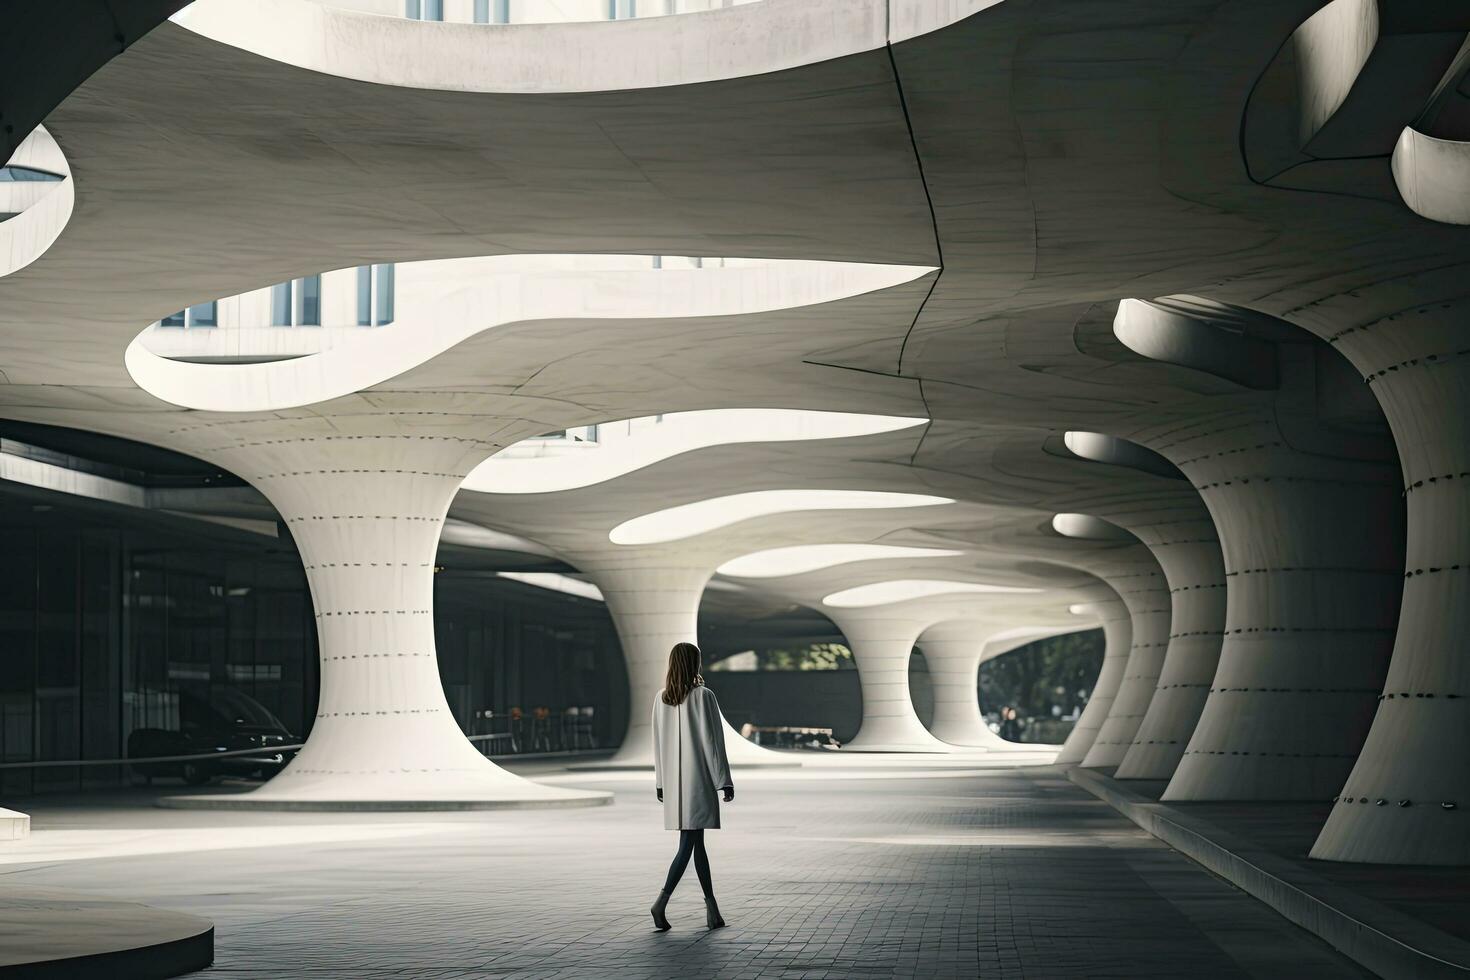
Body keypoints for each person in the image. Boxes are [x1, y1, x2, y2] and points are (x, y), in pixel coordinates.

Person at [649, 641, 733, 931]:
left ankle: (713, 911)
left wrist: (661, 783)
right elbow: (713, 742)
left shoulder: (662, 699)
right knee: (689, 844)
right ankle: (661, 902)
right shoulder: (704, 696)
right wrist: (724, 780)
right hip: (698, 782)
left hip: (674, 785)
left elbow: (657, 745)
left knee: (696, 845)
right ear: (695, 664)